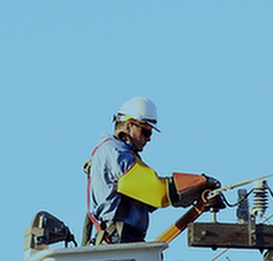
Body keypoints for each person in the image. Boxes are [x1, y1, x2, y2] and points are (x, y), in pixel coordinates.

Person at [83, 96, 220, 245]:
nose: (149, 139)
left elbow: (150, 201)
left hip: (124, 239)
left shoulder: (121, 153)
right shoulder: (116, 152)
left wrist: (194, 194)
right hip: (118, 239)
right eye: (146, 131)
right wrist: (201, 182)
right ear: (129, 126)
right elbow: (157, 191)